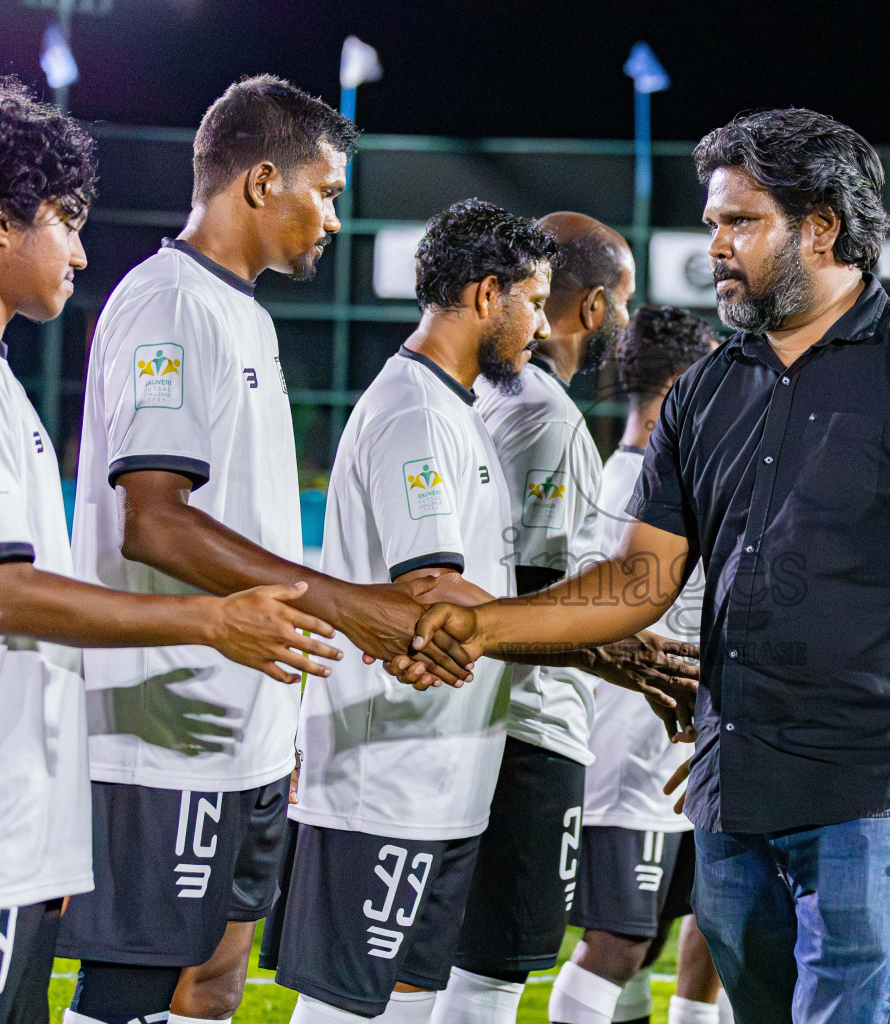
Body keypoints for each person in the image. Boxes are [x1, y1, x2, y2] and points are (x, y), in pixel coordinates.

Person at [404, 107, 890, 1024]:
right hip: (735, 790)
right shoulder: (705, 389)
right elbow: (639, 581)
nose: (717, 247)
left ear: (820, 226)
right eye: (713, 223)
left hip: (878, 790)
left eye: (740, 221)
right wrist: (481, 623)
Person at [0, 77, 340, 1024]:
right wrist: (210, 620)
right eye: (64, 220)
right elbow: (2, 595)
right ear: (0, 220)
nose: (82, 251)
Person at [60, 76, 470, 1024]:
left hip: (243, 722)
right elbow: (153, 520)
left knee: (216, 980)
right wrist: (346, 605)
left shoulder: (242, 311)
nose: (332, 218)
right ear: (260, 181)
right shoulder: (166, 303)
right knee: (131, 987)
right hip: (165, 729)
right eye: (324, 193)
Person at [276, 199, 697, 1024]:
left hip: (448, 748)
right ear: (489, 294)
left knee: (413, 988)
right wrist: (633, 659)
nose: (539, 327)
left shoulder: (468, 406)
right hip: (422, 751)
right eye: (531, 303)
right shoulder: (462, 413)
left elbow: (485, 596)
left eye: (546, 305)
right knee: (402, 991)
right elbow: (456, 600)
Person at [431, 212, 634, 1021]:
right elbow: (538, 597)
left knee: (452, 964)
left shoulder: (478, 390)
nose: (625, 318)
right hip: (528, 724)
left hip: (473, 714)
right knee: (495, 969)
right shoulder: (547, 418)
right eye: (621, 299)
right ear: (590, 310)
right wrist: (646, 667)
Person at [546, 305, 719, 1024]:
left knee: (662, 938)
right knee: (619, 940)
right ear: (679, 387)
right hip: (628, 757)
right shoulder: (641, 492)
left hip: (675, 754)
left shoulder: (663, 482)